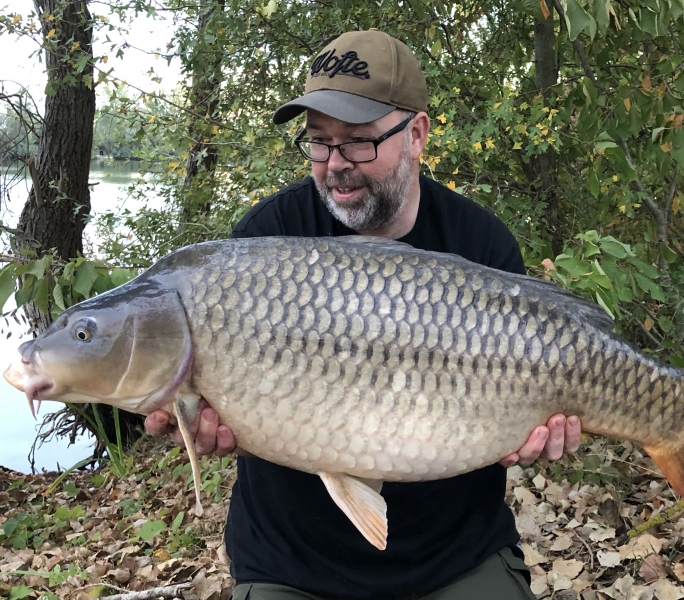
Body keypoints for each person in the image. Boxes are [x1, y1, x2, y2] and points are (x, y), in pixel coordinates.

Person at [146, 29, 582, 600]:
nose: (334, 165)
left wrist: (543, 431)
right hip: (290, 563)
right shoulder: (263, 241)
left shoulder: (480, 243)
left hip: (453, 558)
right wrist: (197, 422)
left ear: (417, 134)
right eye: (319, 142)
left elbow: (526, 422)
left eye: (358, 143)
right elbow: (199, 395)